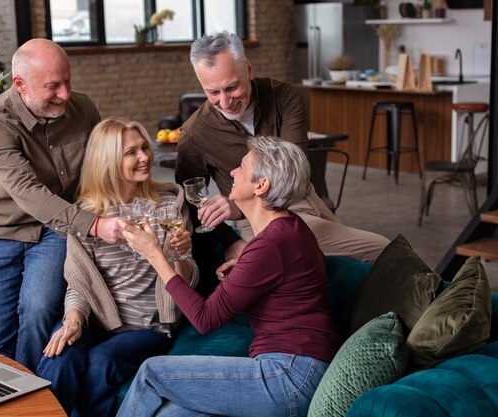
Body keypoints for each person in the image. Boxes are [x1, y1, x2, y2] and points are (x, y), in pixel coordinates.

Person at [118, 136, 341, 416]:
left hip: (289, 375)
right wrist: (249, 268)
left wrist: (155, 255)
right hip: (297, 371)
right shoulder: (289, 229)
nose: (233, 172)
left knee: (151, 372)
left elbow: (204, 318)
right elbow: (298, 276)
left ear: (261, 185)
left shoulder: (271, 244)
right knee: (170, 414)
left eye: (242, 166)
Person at [176, 31, 389, 289]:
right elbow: (188, 202)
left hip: (307, 198)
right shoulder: (194, 133)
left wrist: (237, 205)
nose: (225, 101)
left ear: (249, 70)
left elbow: (294, 171)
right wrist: (231, 241)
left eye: (232, 87)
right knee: (382, 251)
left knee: (352, 270)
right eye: (213, 92)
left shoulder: (285, 96)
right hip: (261, 221)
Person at [0, 39, 124, 372]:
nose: (65, 94)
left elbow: (103, 167)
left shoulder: (83, 109)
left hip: (55, 230)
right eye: (53, 86)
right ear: (20, 85)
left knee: (38, 310)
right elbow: (27, 191)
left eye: (68, 81)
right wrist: (94, 225)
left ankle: (29, 399)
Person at [36, 117, 199, 417]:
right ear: (108, 160)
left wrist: (179, 254)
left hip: (146, 327)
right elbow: (79, 284)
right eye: (131, 152)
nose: (144, 157)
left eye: (144, 148)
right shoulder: (88, 216)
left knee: (102, 362)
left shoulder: (168, 205)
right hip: (96, 321)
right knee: (58, 356)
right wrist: (72, 319)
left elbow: (186, 282)